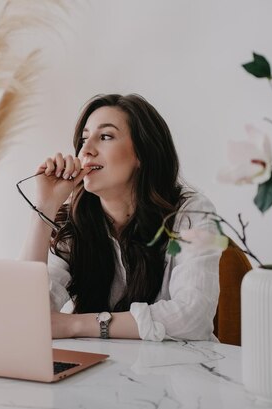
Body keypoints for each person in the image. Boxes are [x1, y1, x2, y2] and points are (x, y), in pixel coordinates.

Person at [20, 94, 222, 341]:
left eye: (105, 137)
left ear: (142, 154)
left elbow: (192, 317)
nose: (86, 150)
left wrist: (74, 325)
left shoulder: (190, 212)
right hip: (102, 372)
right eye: (84, 139)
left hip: (182, 373)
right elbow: (25, 312)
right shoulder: (73, 221)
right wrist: (44, 207)